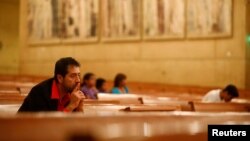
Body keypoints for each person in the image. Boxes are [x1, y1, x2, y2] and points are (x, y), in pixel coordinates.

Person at [18, 57, 85, 112]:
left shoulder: (71, 92)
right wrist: (71, 106)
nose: (78, 80)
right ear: (60, 78)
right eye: (72, 76)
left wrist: (79, 107)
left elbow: (78, 124)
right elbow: (46, 125)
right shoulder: (39, 92)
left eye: (78, 75)